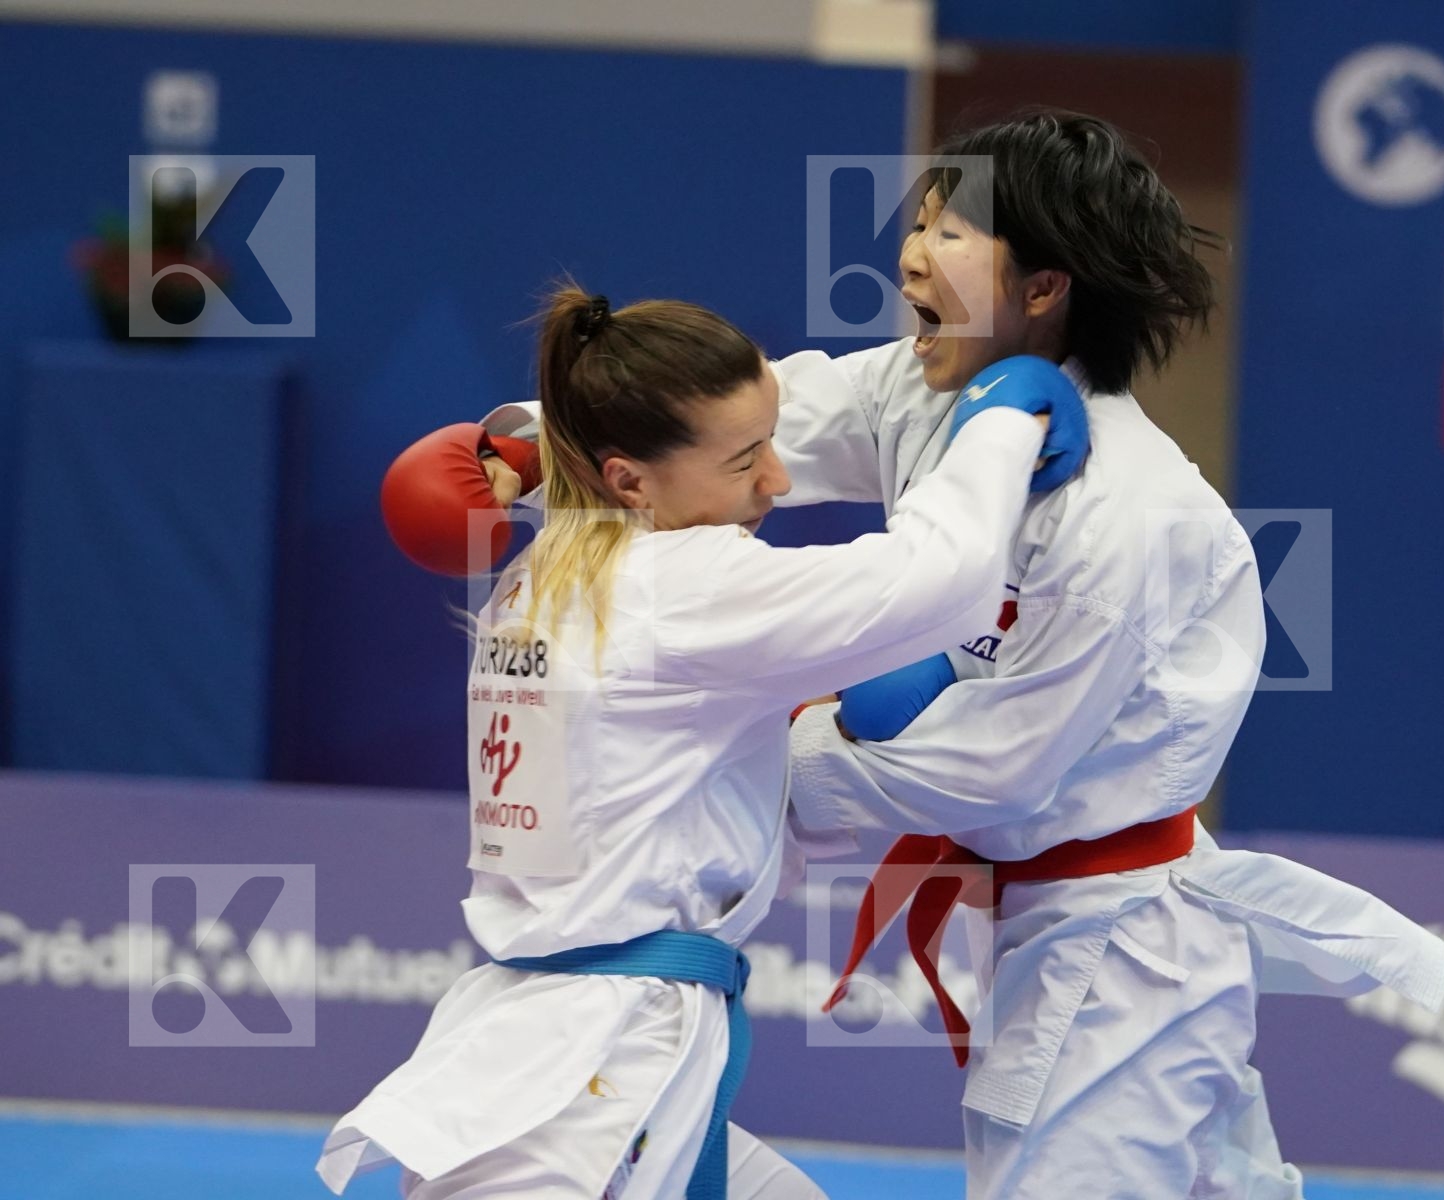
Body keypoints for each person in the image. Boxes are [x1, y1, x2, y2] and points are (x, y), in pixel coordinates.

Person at [387, 112, 1444, 1199]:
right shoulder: (920, 389)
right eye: (922, 220)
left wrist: (762, 748)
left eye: (949, 230)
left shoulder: (1127, 508)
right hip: (1024, 920)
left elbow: (1003, 768)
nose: (908, 251)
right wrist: (525, 436)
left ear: (1042, 288)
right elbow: (741, 420)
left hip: (1122, 944)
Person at [320, 282, 1088, 1199]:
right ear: (629, 479)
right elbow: (943, 575)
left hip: (572, 1035)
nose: (779, 481)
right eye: (745, 461)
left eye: (773, 441)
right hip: (585, 1075)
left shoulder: (550, 570)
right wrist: (1001, 421)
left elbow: (685, 783)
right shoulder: (681, 589)